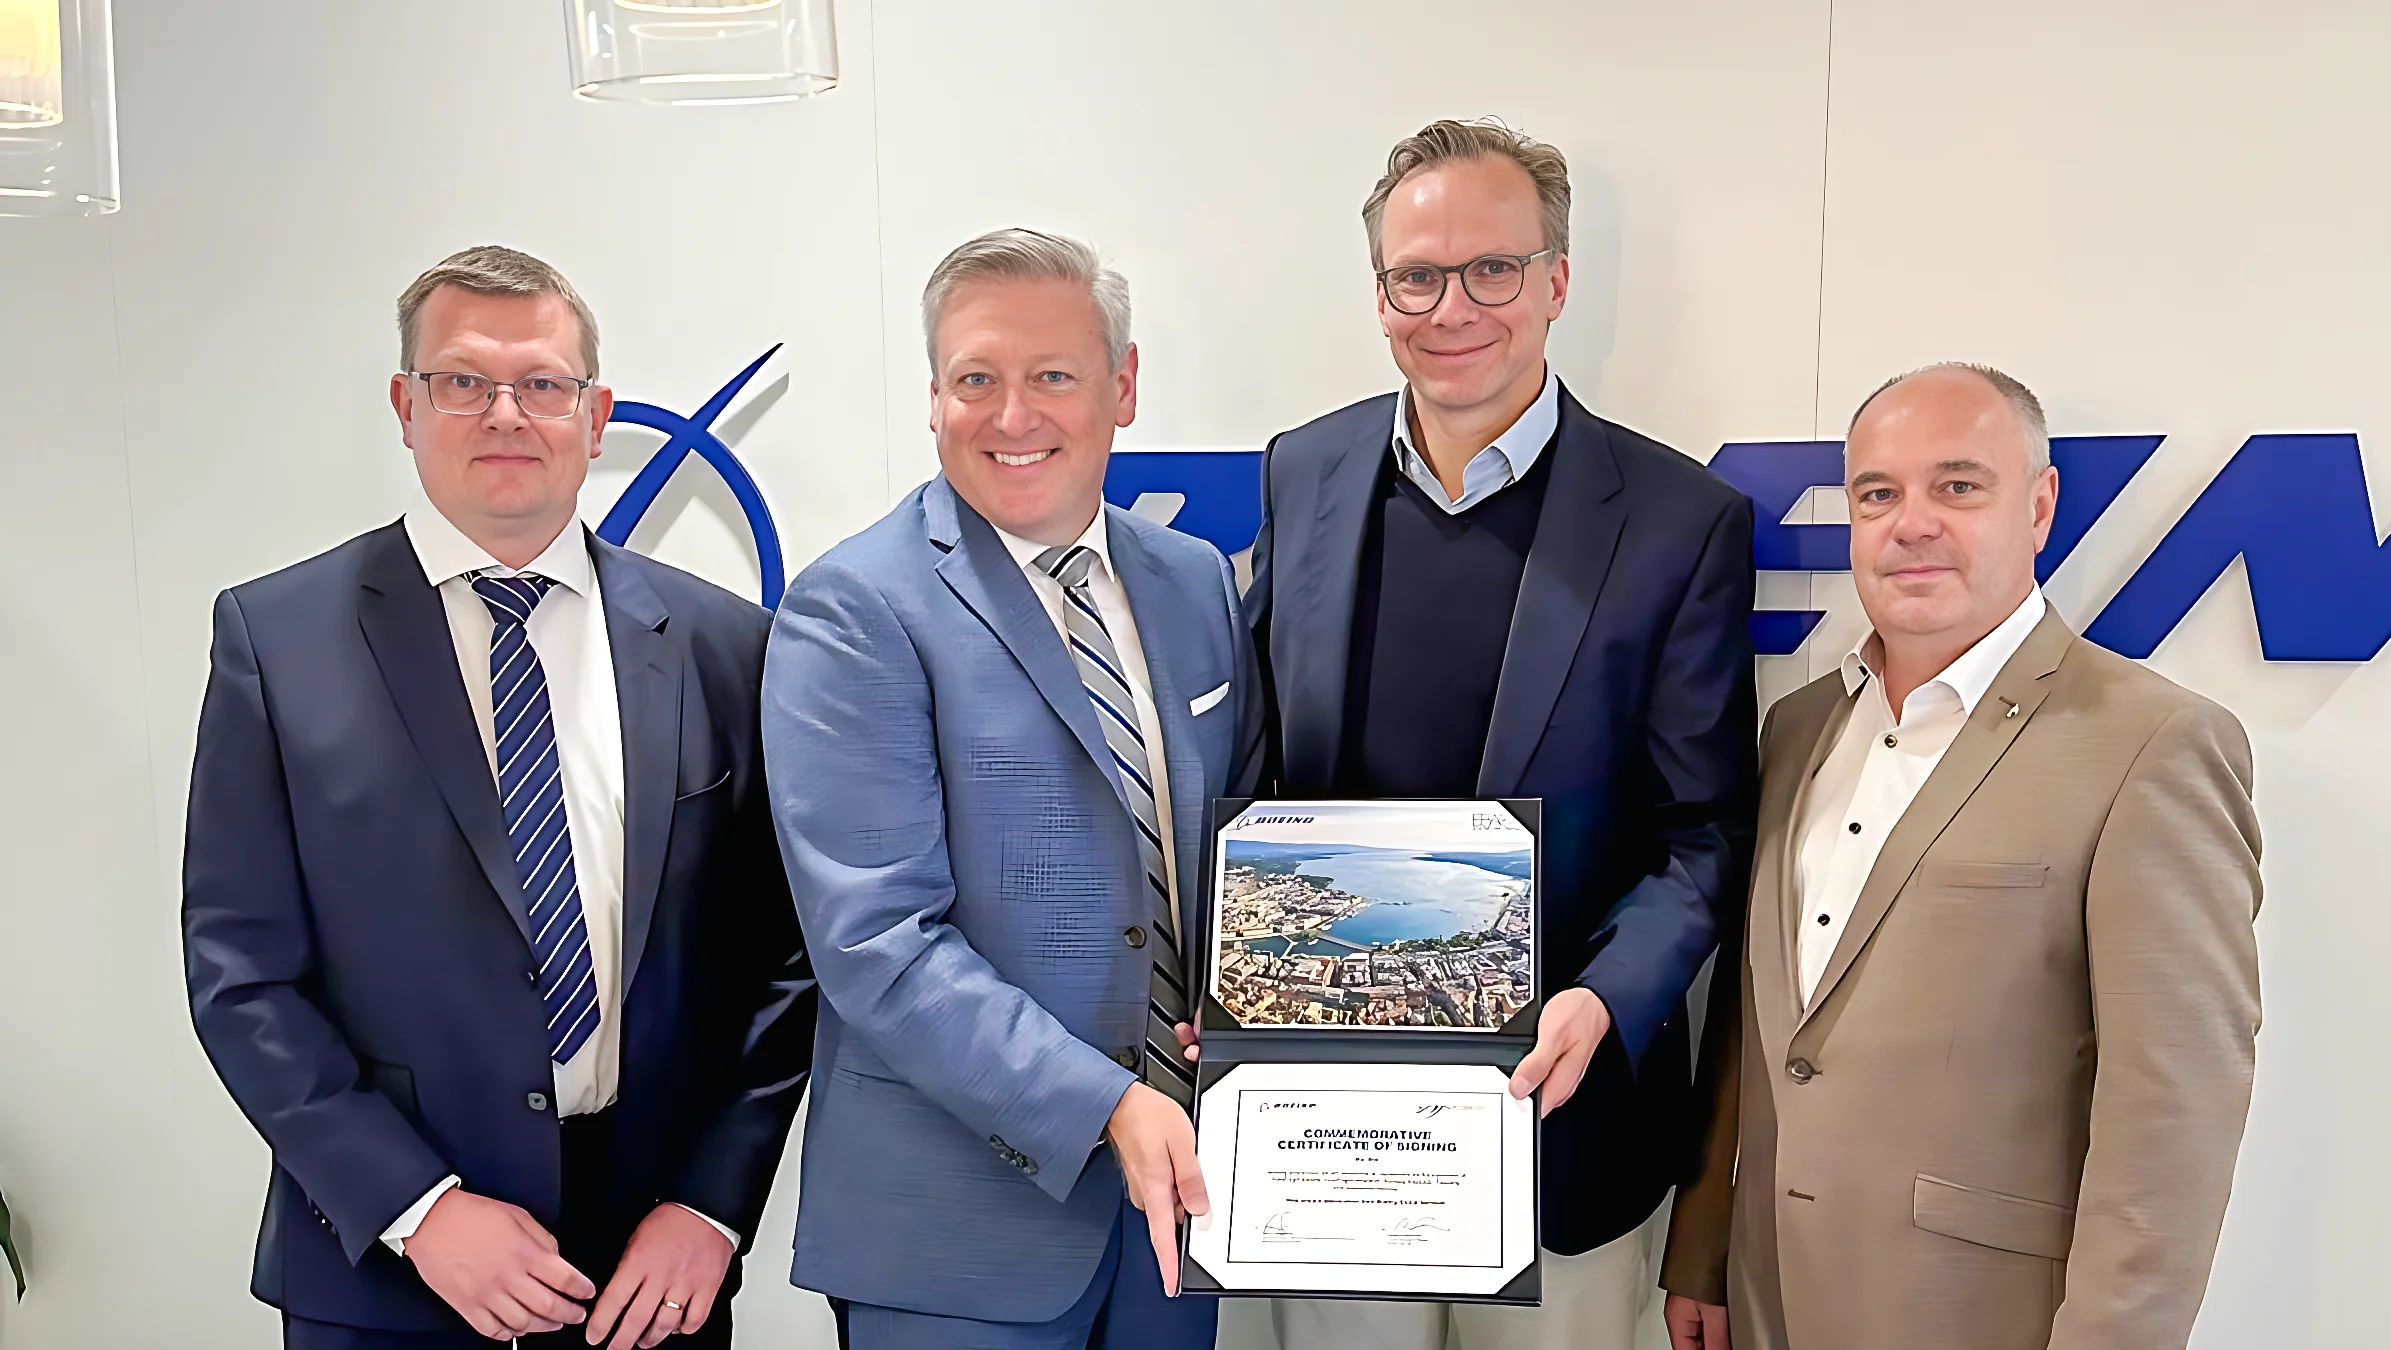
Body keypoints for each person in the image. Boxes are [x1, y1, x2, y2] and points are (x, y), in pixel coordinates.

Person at [182, 246, 816, 1350]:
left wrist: (715, 1204)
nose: (505, 413)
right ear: (405, 403)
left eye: (542, 384)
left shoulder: (727, 646)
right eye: (463, 381)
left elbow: (783, 956)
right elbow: (242, 977)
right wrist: (417, 1211)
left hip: (650, 1278)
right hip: (386, 1275)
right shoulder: (275, 642)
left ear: (595, 410)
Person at [1245, 119, 1760, 1350]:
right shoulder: (1302, 473)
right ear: (1380, 296)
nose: (1454, 306)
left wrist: (1604, 1000)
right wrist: (1236, 968)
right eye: (1417, 276)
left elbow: (1703, 835)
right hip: (1335, 1130)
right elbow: (1261, 774)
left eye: (1494, 270)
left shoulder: (1680, 519)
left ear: (1556, 283)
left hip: (1560, 1124)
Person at [1659, 363, 2264, 1350]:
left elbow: (2172, 1110)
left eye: (1959, 486)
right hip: (1773, 1299)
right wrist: (1707, 1247)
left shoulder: (2150, 744)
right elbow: (1758, 1025)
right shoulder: (1799, 728)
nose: (1913, 523)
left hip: (1984, 1317)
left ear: (2040, 506)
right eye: (1878, 495)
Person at [763, 228, 1262, 1350]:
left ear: (1123, 388)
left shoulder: (1192, 585)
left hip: (1178, 1222)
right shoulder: (854, 610)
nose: (1012, 415)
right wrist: (1105, 1104)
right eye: (976, 379)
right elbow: (878, 942)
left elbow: (1240, 846)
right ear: (933, 398)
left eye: (1053, 376)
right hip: (955, 1240)